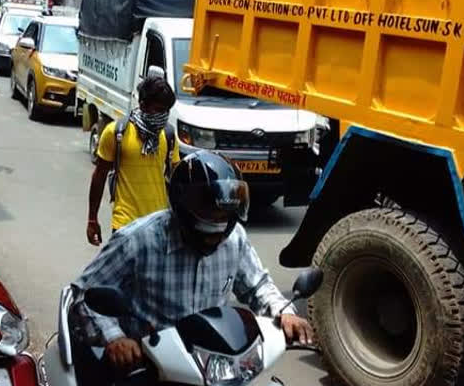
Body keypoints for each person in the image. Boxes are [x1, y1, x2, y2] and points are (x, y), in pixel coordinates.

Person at [71, 151, 315, 376]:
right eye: (209, 228)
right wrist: (115, 338)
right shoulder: (137, 240)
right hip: (149, 366)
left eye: (223, 224)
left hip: (212, 366)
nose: (217, 239)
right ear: (183, 211)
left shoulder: (234, 238)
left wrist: (284, 312)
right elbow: (83, 295)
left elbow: (256, 285)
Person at [86, 72, 179, 245]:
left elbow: (178, 182)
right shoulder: (116, 133)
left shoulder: (169, 136)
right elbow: (99, 177)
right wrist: (92, 219)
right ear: (143, 105)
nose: (163, 116)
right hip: (124, 225)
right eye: (158, 110)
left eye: (166, 111)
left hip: (159, 225)